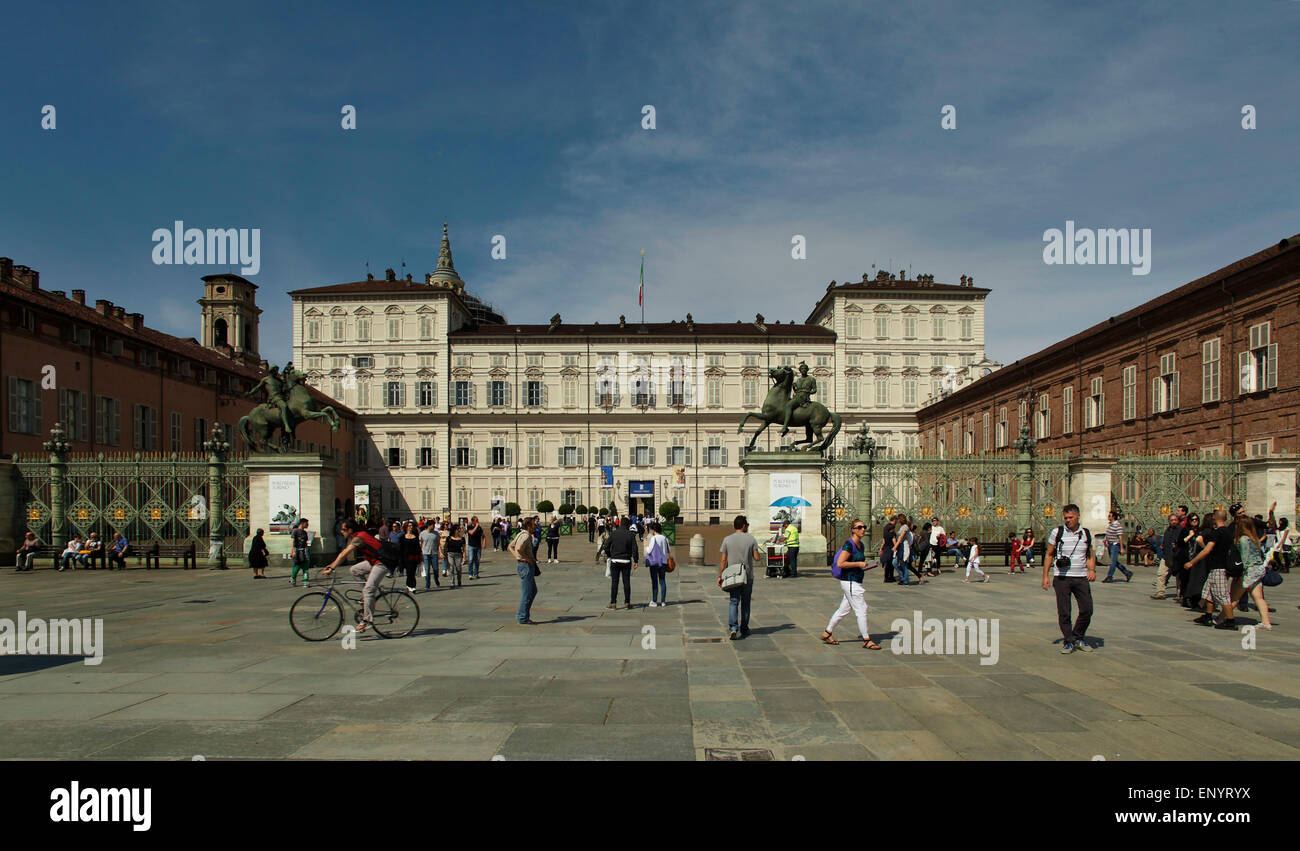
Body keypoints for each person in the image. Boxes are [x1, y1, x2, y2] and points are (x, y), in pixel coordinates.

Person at [1042, 503, 1097, 654]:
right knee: (1064, 611)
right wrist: (1045, 576)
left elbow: (1090, 554)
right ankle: (1069, 640)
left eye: (1070, 517)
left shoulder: (1085, 533)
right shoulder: (1057, 532)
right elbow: (1049, 554)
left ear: (1078, 516)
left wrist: (1092, 569)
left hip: (1081, 577)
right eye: (1065, 518)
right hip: (1062, 578)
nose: (1068, 520)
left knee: (1087, 609)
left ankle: (1078, 636)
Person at [322, 518, 390, 633]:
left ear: (350, 530)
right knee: (354, 570)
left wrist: (332, 568)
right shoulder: (356, 537)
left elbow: (344, 553)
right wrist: (331, 565)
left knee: (368, 590)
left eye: (343, 529)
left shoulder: (359, 537)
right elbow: (343, 553)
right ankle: (367, 597)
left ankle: (367, 621)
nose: (341, 532)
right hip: (374, 561)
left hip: (383, 562)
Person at [821, 518, 881, 649]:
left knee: (844, 609)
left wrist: (866, 566)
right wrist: (858, 564)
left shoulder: (861, 545)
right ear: (853, 530)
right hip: (850, 582)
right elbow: (840, 563)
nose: (863, 529)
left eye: (864, 527)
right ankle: (866, 639)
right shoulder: (849, 545)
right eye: (859, 527)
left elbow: (857, 562)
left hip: (856, 580)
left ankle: (827, 632)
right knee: (861, 609)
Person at [1186, 508, 1236, 630]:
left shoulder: (1218, 532)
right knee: (1208, 592)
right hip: (1217, 566)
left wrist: (1192, 562)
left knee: (1222, 594)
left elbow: (1207, 549)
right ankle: (1208, 616)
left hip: (1219, 567)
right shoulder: (1228, 532)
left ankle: (1230, 621)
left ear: (1215, 518)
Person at [719, 515, 762, 640]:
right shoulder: (751, 539)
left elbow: (723, 560)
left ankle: (733, 628)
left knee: (733, 601)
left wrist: (720, 575)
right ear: (743, 526)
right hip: (747, 575)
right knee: (746, 602)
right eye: (747, 525)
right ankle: (744, 627)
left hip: (733, 575)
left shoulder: (727, 539)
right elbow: (757, 558)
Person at [1236, 513, 1273, 630]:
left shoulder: (1243, 539)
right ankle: (1266, 622)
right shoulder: (1254, 538)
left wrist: (1242, 571)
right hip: (1258, 568)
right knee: (1258, 597)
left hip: (1250, 570)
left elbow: (1245, 557)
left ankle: (1223, 617)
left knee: (1235, 597)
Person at [508, 517, 540, 624]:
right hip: (526, 566)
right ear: (529, 526)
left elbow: (510, 546)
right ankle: (522, 617)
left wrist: (517, 557)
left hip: (523, 564)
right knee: (527, 592)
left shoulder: (521, 534)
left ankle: (523, 615)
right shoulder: (526, 536)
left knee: (533, 590)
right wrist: (526, 559)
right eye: (534, 525)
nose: (536, 526)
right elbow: (518, 548)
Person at [606, 516, 639, 610]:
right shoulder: (630, 535)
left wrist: (610, 555)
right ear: (628, 525)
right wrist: (636, 561)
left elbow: (606, 546)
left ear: (620, 523)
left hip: (615, 560)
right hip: (626, 560)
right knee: (626, 582)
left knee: (614, 582)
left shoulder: (614, 533)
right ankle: (627, 602)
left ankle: (613, 603)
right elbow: (634, 549)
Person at [1151, 513, 1183, 599]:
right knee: (1161, 574)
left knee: (1179, 577)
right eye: (1171, 520)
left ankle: (1180, 594)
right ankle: (1160, 592)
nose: (1173, 522)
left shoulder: (1181, 530)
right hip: (1166, 556)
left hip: (1177, 556)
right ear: (1169, 521)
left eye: (1175, 520)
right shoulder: (1168, 530)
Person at [644, 522, 672, 607]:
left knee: (655, 582)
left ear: (654, 530)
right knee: (662, 581)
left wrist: (646, 545)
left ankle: (654, 601)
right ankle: (663, 601)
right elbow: (669, 550)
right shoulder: (665, 538)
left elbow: (649, 550)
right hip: (663, 562)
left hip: (654, 562)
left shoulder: (654, 538)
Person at [1102, 511, 1131, 582]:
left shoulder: (1117, 525)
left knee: (1112, 562)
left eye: (1109, 515)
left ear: (1113, 517)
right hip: (1110, 544)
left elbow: (1120, 537)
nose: (1108, 517)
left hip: (1115, 545)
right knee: (1114, 562)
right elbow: (1108, 532)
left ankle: (1109, 576)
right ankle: (1127, 573)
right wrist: (1106, 539)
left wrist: (1121, 548)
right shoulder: (1110, 524)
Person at [399, 520, 422, 593]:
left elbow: (418, 547)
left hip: (414, 556)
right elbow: (401, 548)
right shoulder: (402, 537)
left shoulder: (415, 536)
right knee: (409, 572)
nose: (411, 527)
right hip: (406, 557)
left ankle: (413, 586)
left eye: (412, 526)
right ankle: (410, 585)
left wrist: (420, 555)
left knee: (413, 572)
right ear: (406, 527)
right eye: (409, 526)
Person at [418, 521, 441, 589]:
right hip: (425, 553)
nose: (434, 526)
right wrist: (420, 553)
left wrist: (440, 552)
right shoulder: (422, 533)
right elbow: (420, 543)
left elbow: (438, 543)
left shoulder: (436, 533)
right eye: (433, 525)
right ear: (428, 525)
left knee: (436, 569)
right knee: (427, 569)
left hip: (434, 553)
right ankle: (428, 584)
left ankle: (436, 580)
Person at [442, 523, 465, 587]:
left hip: (458, 555)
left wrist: (464, 557)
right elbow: (445, 547)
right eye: (458, 529)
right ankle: (452, 582)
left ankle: (459, 580)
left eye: (459, 529)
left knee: (458, 569)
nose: (459, 530)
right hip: (450, 554)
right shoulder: (449, 538)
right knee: (451, 568)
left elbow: (464, 549)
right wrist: (445, 555)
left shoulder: (462, 539)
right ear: (454, 530)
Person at [290, 518, 312, 587]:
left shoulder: (305, 532)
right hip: (297, 550)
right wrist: (293, 551)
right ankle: (293, 577)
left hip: (305, 550)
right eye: (306, 523)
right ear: (302, 523)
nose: (307, 525)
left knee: (306, 565)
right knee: (298, 565)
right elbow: (293, 541)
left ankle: (305, 580)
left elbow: (305, 542)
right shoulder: (295, 531)